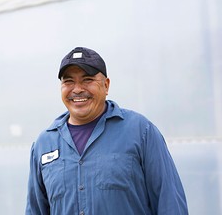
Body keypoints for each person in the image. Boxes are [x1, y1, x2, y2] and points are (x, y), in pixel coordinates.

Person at [25, 47, 188, 215]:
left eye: (87, 80)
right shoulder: (43, 144)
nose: (77, 89)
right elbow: (35, 210)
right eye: (68, 81)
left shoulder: (141, 131)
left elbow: (170, 203)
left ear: (106, 85)